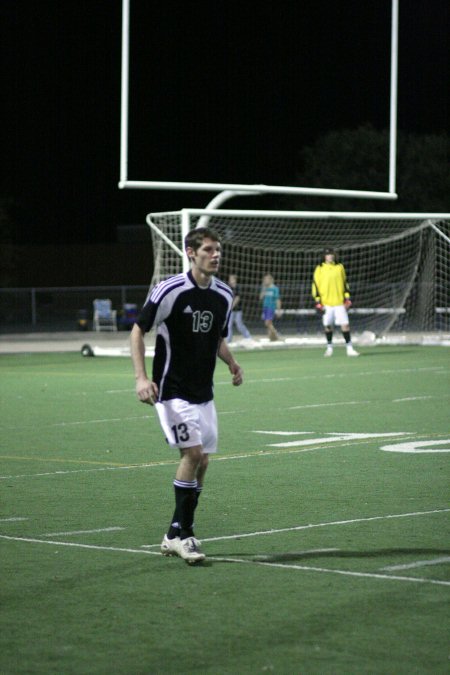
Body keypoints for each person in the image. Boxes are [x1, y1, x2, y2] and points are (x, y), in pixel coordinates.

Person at [130, 226, 243, 564]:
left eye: (217, 249)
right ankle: (187, 534)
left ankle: (173, 533)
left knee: (203, 461)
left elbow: (217, 337)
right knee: (192, 453)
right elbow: (138, 331)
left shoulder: (223, 294)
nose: (215, 255)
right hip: (171, 390)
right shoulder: (170, 290)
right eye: (208, 249)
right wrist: (140, 378)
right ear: (191, 253)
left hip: (203, 392)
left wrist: (233, 364)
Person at [312, 247, 360, 357]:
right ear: (324, 256)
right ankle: (329, 348)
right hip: (326, 303)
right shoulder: (319, 269)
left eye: (332, 254)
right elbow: (315, 286)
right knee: (328, 326)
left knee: (345, 325)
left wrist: (347, 298)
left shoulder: (339, 267)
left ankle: (349, 348)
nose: (330, 256)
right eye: (328, 254)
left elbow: (345, 283)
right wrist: (318, 301)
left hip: (339, 302)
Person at [227, 273, 252, 343]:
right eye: (229, 279)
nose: (229, 280)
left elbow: (237, 298)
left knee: (239, 324)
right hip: (230, 311)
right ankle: (228, 340)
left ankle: (248, 336)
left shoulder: (238, 287)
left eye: (231, 279)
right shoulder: (228, 287)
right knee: (229, 325)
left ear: (234, 280)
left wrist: (231, 306)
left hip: (238, 310)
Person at [260, 273, 282, 341]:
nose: (265, 281)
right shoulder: (265, 288)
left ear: (270, 280)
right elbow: (260, 297)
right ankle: (271, 338)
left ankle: (276, 335)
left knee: (268, 323)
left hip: (271, 308)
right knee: (268, 324)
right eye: (264, 280)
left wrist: (279, 310)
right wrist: (263, 289)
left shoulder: (275, 289)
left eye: (266, 279)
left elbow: (278, 300)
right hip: (265, 307)